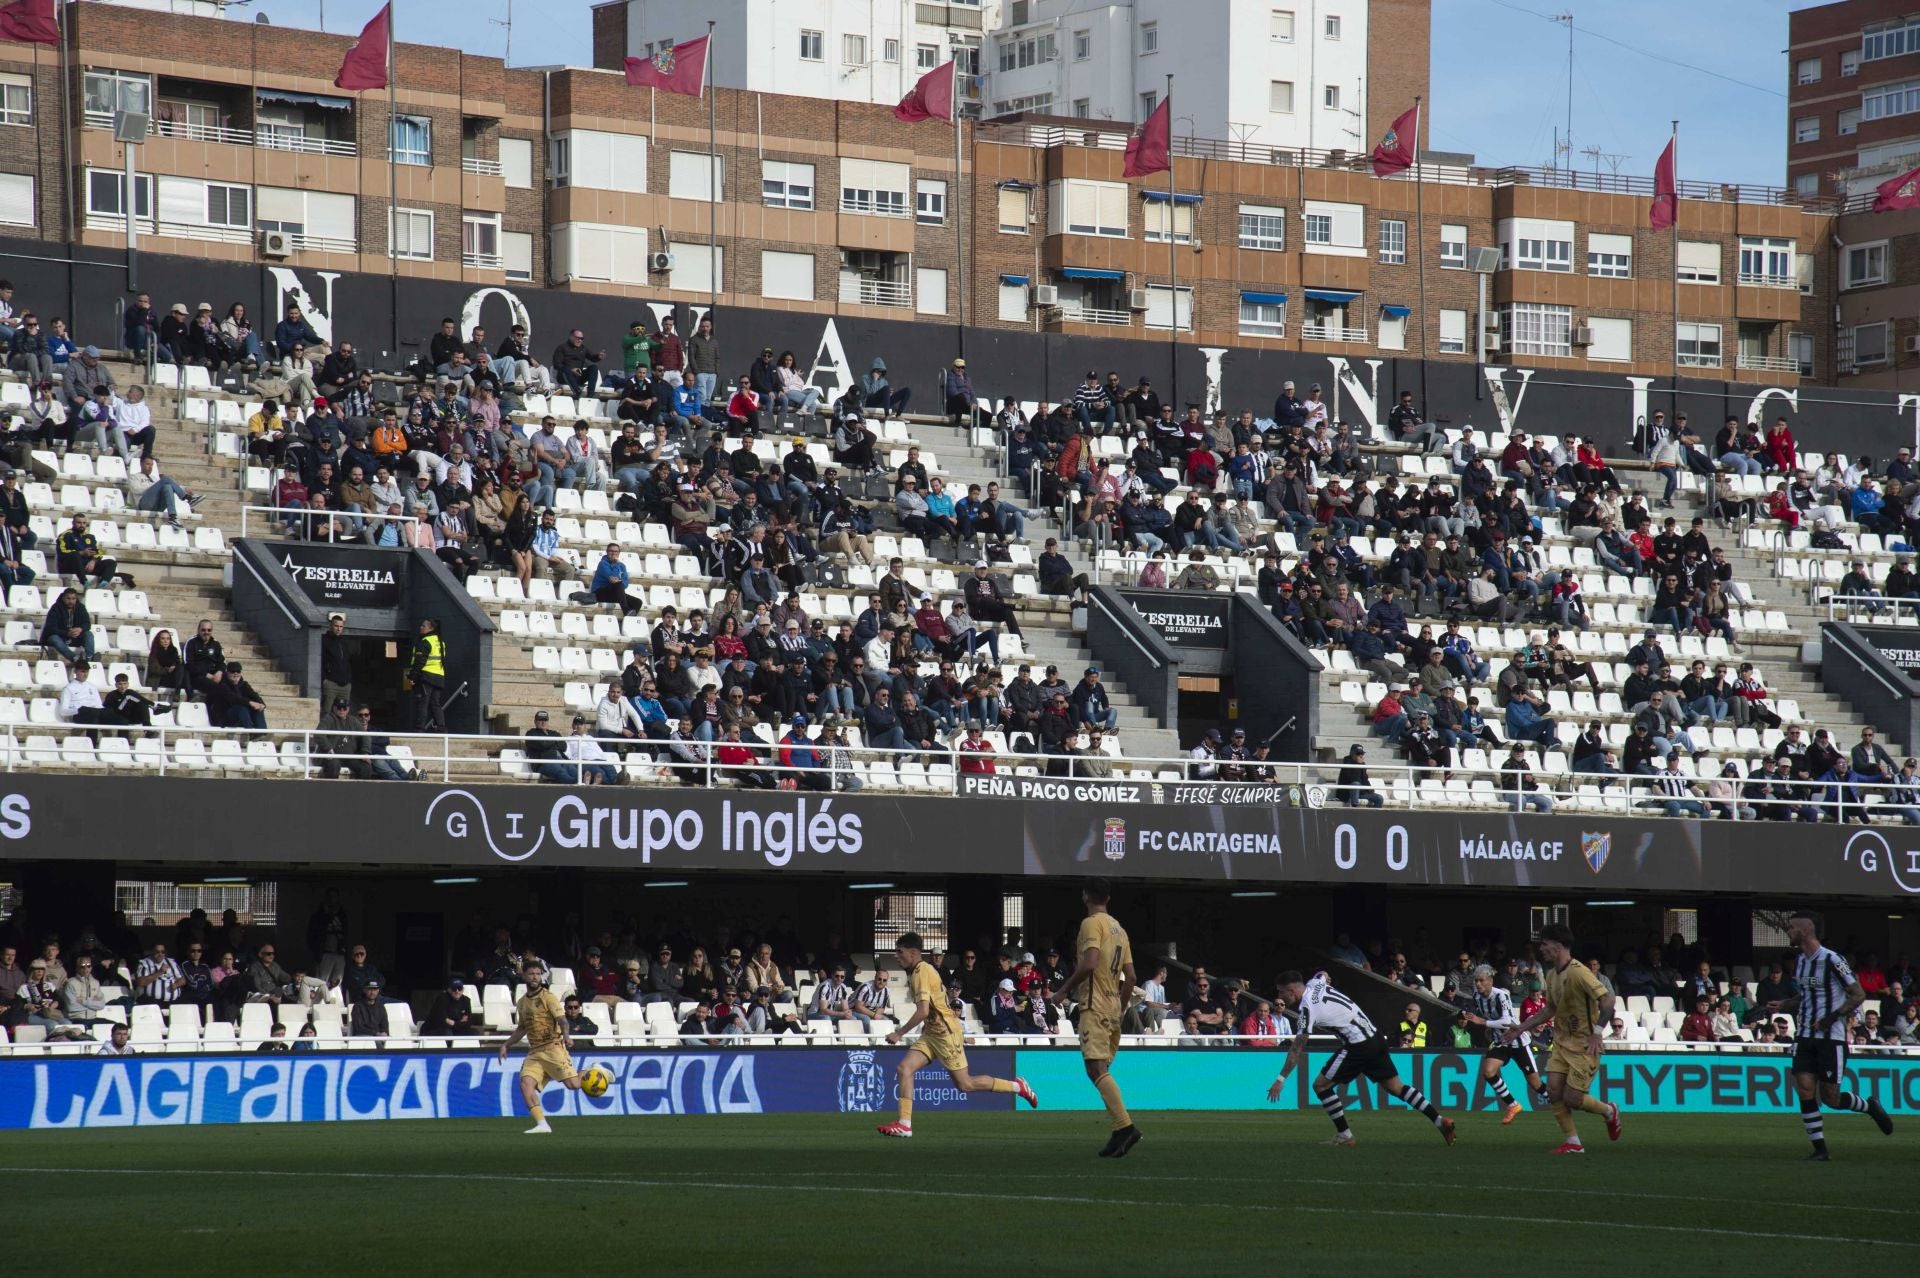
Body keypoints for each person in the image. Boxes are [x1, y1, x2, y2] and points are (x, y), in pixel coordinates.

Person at [1267, 969, 1456, 1148]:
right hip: (1375, 1037)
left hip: (1358, 1045)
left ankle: (1345, 1135)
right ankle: (1439, 1121)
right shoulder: (1316, 982)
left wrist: (1280, 1079)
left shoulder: (1307, 1008)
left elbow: (1296, 1048)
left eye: (1281, 992)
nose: (1280, 997)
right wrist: (1325, 976)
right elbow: (1323, 974)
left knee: (1320, 1085)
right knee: (1396, 1087)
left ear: (1292, 990)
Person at [877, 930, 1038, 1139]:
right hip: (933, 1033)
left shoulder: (922, 973)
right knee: (904, 1068)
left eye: (900, 951)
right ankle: (905, 1124)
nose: (896, 956)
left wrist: (899, 1033)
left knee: (965, 1084)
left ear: (914, 952)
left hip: (946, 1034)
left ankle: (1018, 1086)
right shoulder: (918, 971)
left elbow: (924, 1010)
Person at [1764, 909, 1895, 1159]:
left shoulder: (1833, 960)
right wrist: (1784, 1004)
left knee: (1831, 1097)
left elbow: (1858, 994)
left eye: (1791, 928)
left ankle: (1871, 1107)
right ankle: (1820, 1149)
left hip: (1831, 1038)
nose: (1788, 932)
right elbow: (1807, 995)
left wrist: (1831, 1018)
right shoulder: (1801, 961)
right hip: (1805, 1035)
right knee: (1804, 1088)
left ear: (1804, 931)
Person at [1502, 922, 1622, 1155]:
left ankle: (1609, 1112)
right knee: (1554, 1092)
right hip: (1561, 1045)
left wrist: (1597, 1032)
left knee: (1574, 1098)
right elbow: (1550, 1010)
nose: (1541, 949)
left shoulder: (1579, 972)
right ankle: (1574, 1142)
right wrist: (1521, 1028)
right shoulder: (1551, 974)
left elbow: (1608, 1001)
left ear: (1557, 946)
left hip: (1584, 1046)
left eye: (1544, 944)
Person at [1046, 877, 1141, 1158]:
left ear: (1085, 896)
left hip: (1094, 1004)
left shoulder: (1091, 924)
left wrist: (1063, 991)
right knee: (1099, 1069)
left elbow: (1089, 963)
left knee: (1095, 1069)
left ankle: (1125, 1127)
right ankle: (1118, 1130)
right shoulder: (1119, 929)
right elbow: (1132, 977)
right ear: (1108, 898)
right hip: (1113, 1006)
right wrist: (1121, 1008)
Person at [497, 957, 587, 1135]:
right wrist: (506, 1044)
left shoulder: (548, 997)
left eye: (538, 974)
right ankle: (542, 1124)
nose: (535, 977)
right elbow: (522, 1028)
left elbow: (562, 1020)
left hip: (553, 1048)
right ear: (524, 976)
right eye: (531, 974)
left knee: (574, 1085)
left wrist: (567, 1037)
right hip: (535, 1052)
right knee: (525, 1084)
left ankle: (592, 1070)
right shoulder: (522, 1003)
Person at [1461, 963, 1552, 1123]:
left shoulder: (1501, 995)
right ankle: (1512, 1105)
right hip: (1502, 1041)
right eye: (1476, 981)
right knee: (1488, 1071)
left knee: (1536, 1084)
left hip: (1518, 1041)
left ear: (1490, 980)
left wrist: (1484, 1023)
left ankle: (1559, 1106)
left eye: (1481, 980)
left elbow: (1507, 1020)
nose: (1478, 984)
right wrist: (1466, 1013)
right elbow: (1475, 1013)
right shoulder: (1476, 996)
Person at [410, 617, 448, 730]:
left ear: (430, 628)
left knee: (422, 703)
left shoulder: (425, 642)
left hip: (426, 676)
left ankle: (419, 729)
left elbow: (420, 661)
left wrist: (413, 677)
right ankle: (441, 728)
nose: (420, 627)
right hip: (439, 677)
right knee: (435, 704)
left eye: (423, 626)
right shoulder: (441, 643)